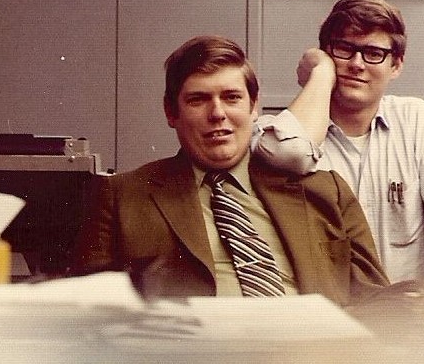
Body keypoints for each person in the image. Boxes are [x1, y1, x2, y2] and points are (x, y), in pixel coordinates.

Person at [71, 35, 390, 307]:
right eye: (198, 100)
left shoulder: (327, 192)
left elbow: (378, 306)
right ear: (171, 112)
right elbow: (90, 314)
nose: (218, 114)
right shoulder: (122, 195)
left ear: (254, 107)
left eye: (232, 97)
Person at [252, 0, 424, 290]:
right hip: (330, 321)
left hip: (407, 321)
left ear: (396, 66)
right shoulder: (280, 133)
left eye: (374, 53)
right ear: (326, 54)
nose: (357, 64)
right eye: (344, 49)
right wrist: (320, 74)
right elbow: (291, 152)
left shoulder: (415, 121)